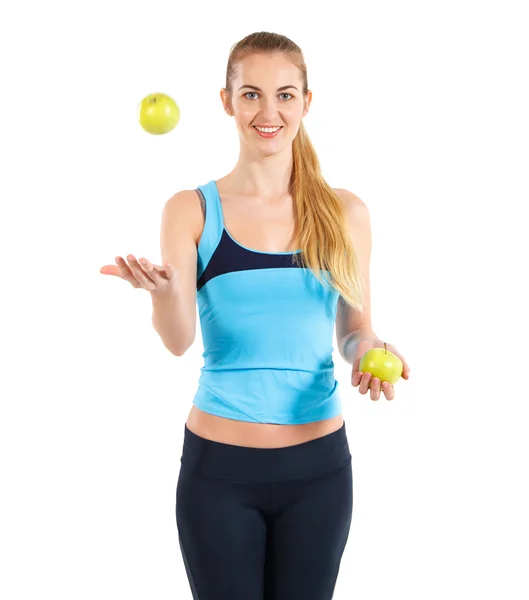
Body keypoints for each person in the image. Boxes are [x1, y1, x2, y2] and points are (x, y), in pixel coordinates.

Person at [101, 30, 410, 600]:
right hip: (218, 474)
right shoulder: (191, 209)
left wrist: (370, 351)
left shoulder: (344, 212)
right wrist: (163, 295)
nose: (269, 112)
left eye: (286, 95)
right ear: (227, 101)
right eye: (251, 94)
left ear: (307, 102)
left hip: (320, 471)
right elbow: (177, 341)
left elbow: (355, 330)